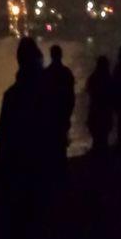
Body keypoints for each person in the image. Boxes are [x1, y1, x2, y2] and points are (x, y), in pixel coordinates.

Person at [0, 37, 50, 239]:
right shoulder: (47, 93)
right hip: (43, 171)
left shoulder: (13, 96)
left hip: (19, 173)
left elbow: (3, 140)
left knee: (21, 234)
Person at [43, 44, 77, 176]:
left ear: (51, 55)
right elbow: (71, 97)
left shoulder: (46, 74)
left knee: (51, 146)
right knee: (61, 146)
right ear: (61, 55)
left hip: (50, 117)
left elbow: (43, 98)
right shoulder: (66, 73)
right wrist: (68, 114)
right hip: (62, 115)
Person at [85, 55, 114, 154]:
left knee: (97, 137)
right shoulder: (108, 78)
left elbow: (89, 90)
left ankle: (97, 154)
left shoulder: (94, 77)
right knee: (103, 137)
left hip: (96, 111)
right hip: (105, 111)